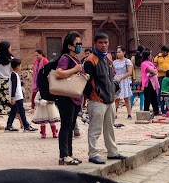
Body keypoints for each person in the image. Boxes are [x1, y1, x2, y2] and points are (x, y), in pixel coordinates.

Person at [84, 32, 125, 164]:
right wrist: (91, 97)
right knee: (95, 128)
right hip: (96, 100)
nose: (103, 45)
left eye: (106, 42)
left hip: (110, 99)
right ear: (95, 44)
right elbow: (87, 82)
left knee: (110, 128)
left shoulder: (108, 57)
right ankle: (93, 154)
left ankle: (112, 152)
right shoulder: (90, 60)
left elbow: (110, 77)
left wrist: (113, 92)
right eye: (100, 43)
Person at [54, 31, 85, 166]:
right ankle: (63, 155)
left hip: (75, 97)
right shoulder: (65, 58)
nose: (79, 46)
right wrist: (75, 70)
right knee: (66, 126)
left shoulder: (76, 59)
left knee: (71, 126)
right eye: (77, 44)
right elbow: (59, 73)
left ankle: (69, 153)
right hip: (66, 98)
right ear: (69, 46)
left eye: (80, 43)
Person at [6, 58, 36, 132]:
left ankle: (9, 125)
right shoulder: (13, 75)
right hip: (17, 96)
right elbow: (14, 86)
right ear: (17, 66)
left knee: (13, 111)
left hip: (17, 96)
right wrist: (13, 97)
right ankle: (26, 126)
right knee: (21, 111)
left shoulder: (14, 74)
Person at [112, 46, 134, 119]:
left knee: (126, 98)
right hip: (116, 80)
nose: (118, 54)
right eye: (117, 52)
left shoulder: (127, 61)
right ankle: (114, 113)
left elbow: (129, 72)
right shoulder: (115, 62)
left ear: (124, 52)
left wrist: (121, 78)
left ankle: (129, 114)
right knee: (116, 98)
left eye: (119, 52)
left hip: (124, 80)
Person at [140, 50, 160, 115]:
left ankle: (156, 111)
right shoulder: (144, 64)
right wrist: (154, 71)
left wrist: (154, 72)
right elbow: (153, 71)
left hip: (153, 83)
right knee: (148, 98)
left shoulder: (150, 63)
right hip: (148, 82)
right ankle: (146, 111)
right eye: (150, 55)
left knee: (154, 96)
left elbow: (155, 71)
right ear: (148, 56)